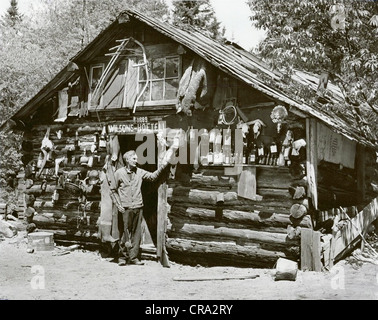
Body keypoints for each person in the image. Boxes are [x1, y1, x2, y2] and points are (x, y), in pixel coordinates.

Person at [112, 148, 175, 266]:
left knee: (136, 234)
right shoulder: (119, 173)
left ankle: (134, 257)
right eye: (134, 159)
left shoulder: (139, 172)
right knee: (125, 233)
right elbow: (113, 191)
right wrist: (118, 204)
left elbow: (153, 177)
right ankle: (122, 257)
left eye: (136, 158)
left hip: (138, 206)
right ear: (127, 160)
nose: (136, 161)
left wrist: (164, 164)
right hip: (125, 208)